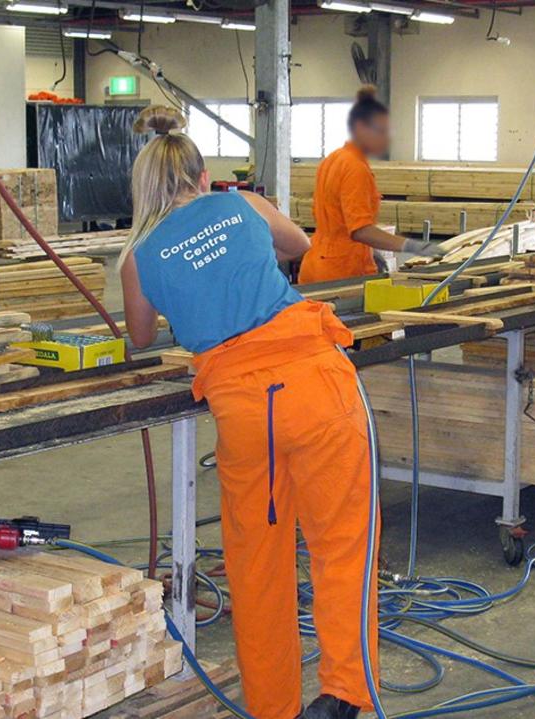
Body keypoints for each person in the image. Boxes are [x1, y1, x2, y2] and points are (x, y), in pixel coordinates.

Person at [119, 106, 379, 719]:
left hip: (243, 412)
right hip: (316, 384)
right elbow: (299, 244)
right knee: (342, 545)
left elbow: (138, 336)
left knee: (257, 567)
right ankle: (343, 693)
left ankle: (272, 709)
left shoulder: (138, 255)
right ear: (202, 174)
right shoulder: (243, 206)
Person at [298, 85, 442, 284]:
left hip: (317, 264)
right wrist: (411, 246)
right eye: (380, 131)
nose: (386, 138)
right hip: (342, 271)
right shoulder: (355, 168)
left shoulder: (333, 159)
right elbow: (360, 230)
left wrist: (373, 253)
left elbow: (340, 221)